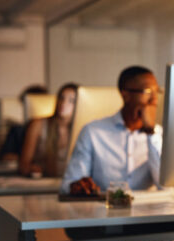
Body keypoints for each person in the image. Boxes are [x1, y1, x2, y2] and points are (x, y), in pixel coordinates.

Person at [60, 66, 162, 194]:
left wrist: (150, 133)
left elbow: (164, 185)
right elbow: (69, 184)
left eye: (156, 91)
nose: (154, 99)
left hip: (149, 211)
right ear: (125, 95)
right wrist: (78, 186)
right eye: (147, 91)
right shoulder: (93, 132)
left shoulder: (159, 135)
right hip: (105, 210)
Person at [19, 83, 78, 177]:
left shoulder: (82, 130)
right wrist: (32, 169)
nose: (63, 103)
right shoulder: (38, 125)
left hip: (70, 183)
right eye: (61, 98)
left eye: (71, 101)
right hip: (43, 183)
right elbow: (23, 164)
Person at [0, 85, 48, 161]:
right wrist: (27, 158)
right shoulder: (17, 131)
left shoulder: (53, 129)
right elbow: (5, 156)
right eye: (24, 106)